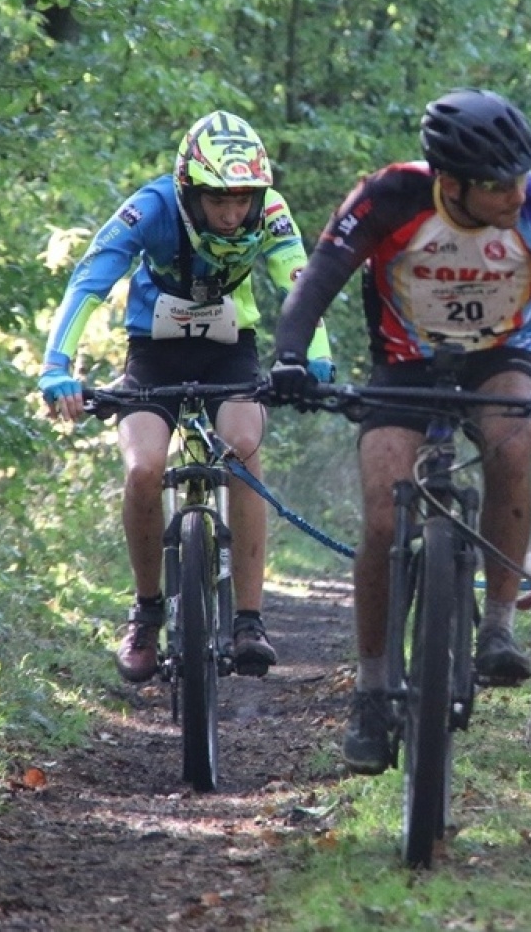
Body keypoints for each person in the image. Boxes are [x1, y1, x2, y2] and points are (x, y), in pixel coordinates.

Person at [270, 87, 531, 775]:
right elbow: (315, 283)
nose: (517, 195)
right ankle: (373, 690)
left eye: (522, 176)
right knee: (381, 511)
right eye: (499, 185)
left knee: (515, 434)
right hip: (402, 366)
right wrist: (289, 357)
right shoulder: (389, 197)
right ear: (452, 184)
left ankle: (497, 625)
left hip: (501, 358)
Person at [38, 111, 334, 683]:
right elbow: (90, 280)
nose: (230, 214)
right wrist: (57, 367)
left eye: (242, 200)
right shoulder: (150, 209)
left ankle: (250, 619)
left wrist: (311, 360)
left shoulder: (268, 213)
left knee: (244, 448)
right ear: (188, 191)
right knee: (144, 467)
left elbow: (301, 282)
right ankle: (146, 612)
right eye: (217, 201)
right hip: (154, 351)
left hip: (230, 350)